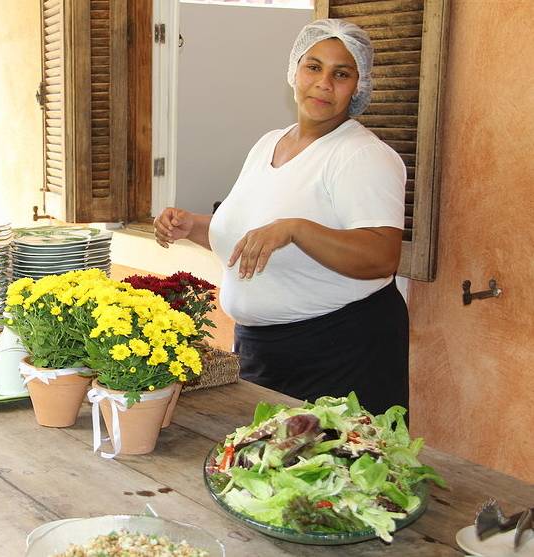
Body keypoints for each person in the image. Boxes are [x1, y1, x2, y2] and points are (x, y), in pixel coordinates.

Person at [153, 19, 408, 415]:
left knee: (327, 470)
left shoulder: (363, 156)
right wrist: (195, 226)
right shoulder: (269, 143)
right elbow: (251, 236)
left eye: (341, 74)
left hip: (339, 353)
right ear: (294, 72)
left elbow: (381, 258)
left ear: (358, 86)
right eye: (314, 67)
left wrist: (297, 230)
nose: (324, 82)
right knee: (263, 465)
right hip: (264, 350)